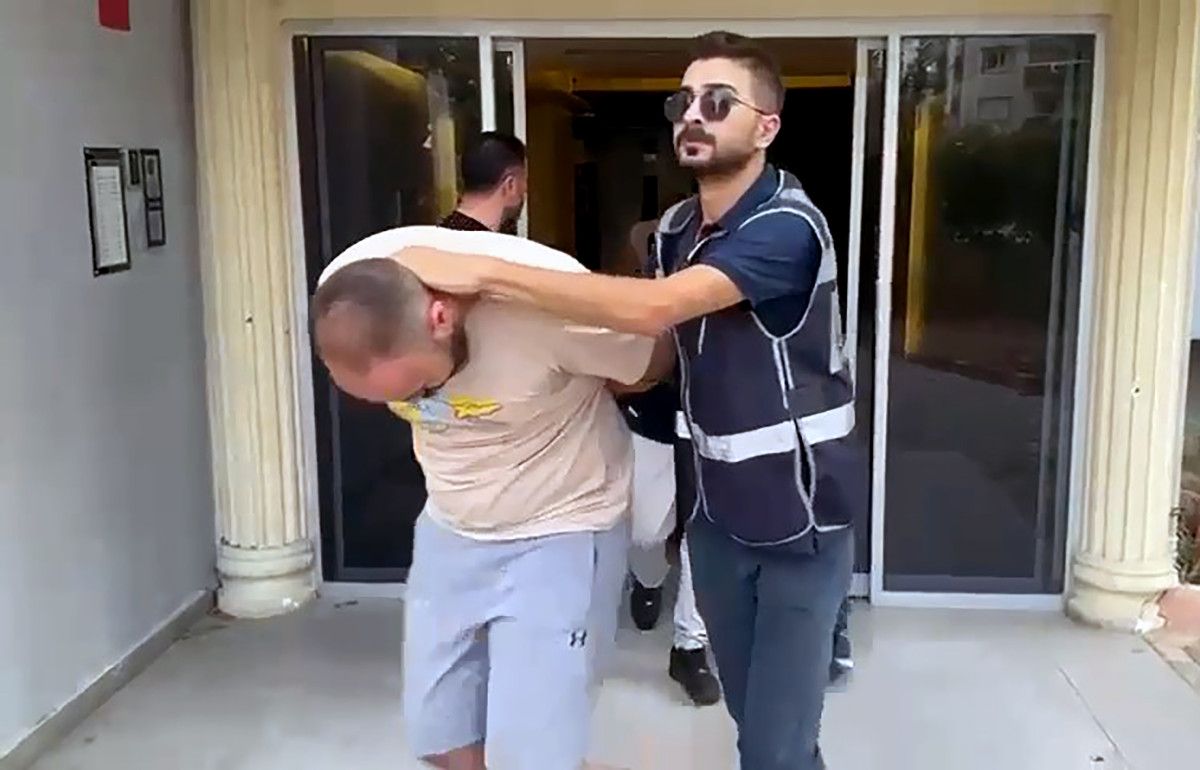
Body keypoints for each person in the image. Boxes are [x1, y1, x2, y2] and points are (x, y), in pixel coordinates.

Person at [390, 31, 863, 770]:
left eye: (718, 102)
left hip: (801, 522)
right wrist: (567, 367)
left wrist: (485, 269)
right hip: (717, 518)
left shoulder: (786, 227)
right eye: (683, 101)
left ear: (766, 127)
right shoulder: (675, 229)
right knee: (756, 724)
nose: (692, 115)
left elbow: (653, 309)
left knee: (776, 748)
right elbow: (651, 347)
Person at [311, 226, 671, 770]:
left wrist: (584, 371)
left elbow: (653, 361)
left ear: (440, 318)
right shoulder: (349, 283)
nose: (415, 404)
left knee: (535, 755)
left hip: (561, 526)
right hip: (452, 524)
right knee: (442, 738)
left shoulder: (548, 313)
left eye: (419, 390)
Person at [619, 219, 720, 707]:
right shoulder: (643, 289)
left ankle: (690, 645)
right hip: (655, 418)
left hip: (716, 424)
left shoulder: (731, 277)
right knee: (646, 529)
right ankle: (647, 578)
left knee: (705, 529)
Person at [439, 131, 527, 233]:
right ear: (510, 185)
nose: (526, 190)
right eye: (525, 179)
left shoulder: (436, 236)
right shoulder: (491, 242)